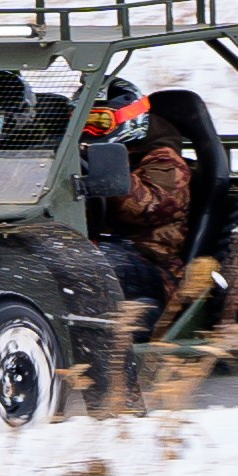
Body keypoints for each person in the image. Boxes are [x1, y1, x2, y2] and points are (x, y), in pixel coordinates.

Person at [87, 78, 193, 309]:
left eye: (100, 121)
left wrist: (104, 167)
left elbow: (149, 207)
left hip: (155, 268)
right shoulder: (84, 157)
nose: (90, 130)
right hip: (101, 250)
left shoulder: (166, 161)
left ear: (130, 118)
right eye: (83, 121)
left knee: (92, 262)